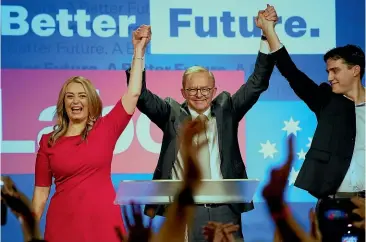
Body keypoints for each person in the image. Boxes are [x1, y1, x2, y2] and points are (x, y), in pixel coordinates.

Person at [126, 17, 278, 241]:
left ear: (214, 90)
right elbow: (141, 96)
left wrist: (266, 35)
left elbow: (257, 83)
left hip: (225, 209)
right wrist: (139, 52)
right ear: (183, 91)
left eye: (205, 89)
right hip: (184, 210)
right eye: (193, 89)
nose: (199, 94)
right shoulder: (170, 114)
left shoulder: (228, 111)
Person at [31, 27, 149, 242]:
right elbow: (40, 194)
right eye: (70, 97)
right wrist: (29, 234)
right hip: (62, 226)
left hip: (104, 225)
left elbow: (133, 93)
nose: (76, 102)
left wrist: (138, 50)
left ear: (91, 102)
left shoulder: (106, 128)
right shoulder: (48, 141)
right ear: (63, 103)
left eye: (82, 96)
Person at [258, 3, 365, 238]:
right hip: (332, 206)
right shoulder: (326, 100)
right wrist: (269, 31)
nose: (329, 77)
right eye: (327, 71)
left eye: (335, 71)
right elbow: (292, 73)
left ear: (355, 70)